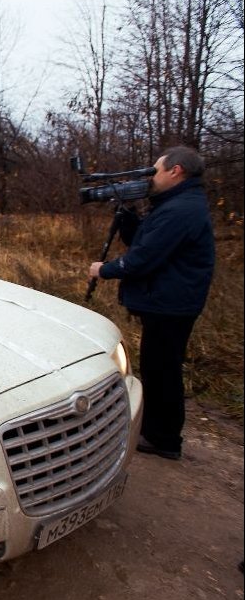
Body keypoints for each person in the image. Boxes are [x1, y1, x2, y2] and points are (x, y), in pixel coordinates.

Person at [89, 145, 215, 461]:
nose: (151, 176)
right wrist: (128, 215)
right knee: (159, 365)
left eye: (156, 170)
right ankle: (158, 429)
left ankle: (164, 437)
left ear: (176, 171)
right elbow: (143, 240)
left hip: (171, 303)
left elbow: (144, 258)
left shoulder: (180, 210)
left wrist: (104, 270)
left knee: (163, 368)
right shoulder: (175, 204)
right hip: (169, 300)